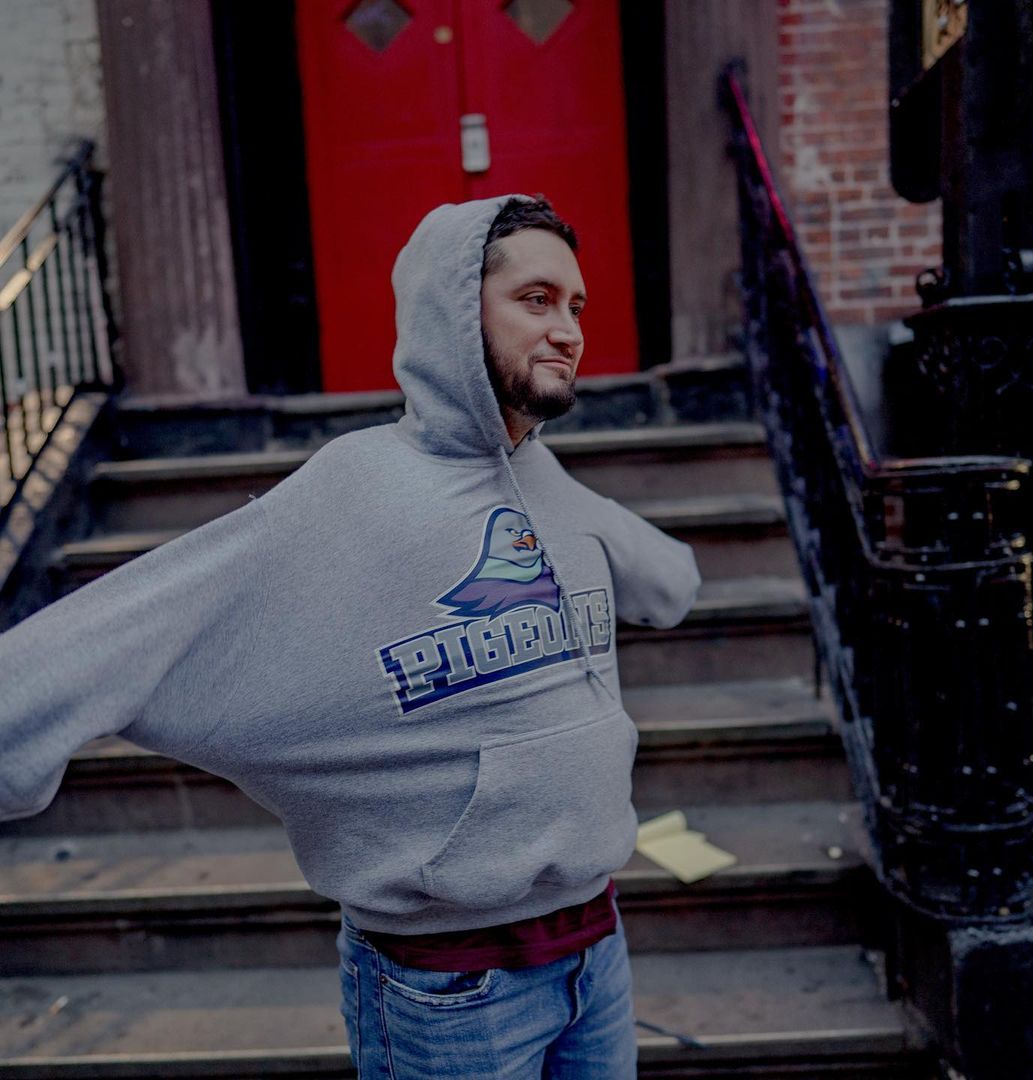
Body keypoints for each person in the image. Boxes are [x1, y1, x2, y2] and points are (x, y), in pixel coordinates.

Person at [0, 194, 701, 1078]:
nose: (568, 330)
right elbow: (129, 623)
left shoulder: (546, 477)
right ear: (455, 312)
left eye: (576, 306)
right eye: (535, 300)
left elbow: (670, 584)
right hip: (451, 987)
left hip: (597, 948)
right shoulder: (353, 489)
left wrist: (629, 559)